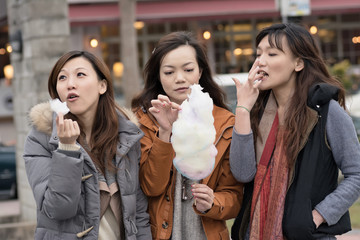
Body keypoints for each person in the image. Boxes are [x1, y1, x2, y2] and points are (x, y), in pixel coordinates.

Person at [229, 23, 360, 240]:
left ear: (298, 63)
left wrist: (317, 216)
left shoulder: (325, 111)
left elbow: (356, 174)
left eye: (272, 54)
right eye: (259, 53)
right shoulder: (258, 111)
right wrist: (242, 110)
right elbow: (243, 174)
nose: (260, 61)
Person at [23, 50, 151, 240]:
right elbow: (58, 209)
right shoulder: (41, 139)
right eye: (62, 78)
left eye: (80, 74)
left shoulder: (126, 137)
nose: (70, 84)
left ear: (102, 86)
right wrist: (66, 149)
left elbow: (138, 214)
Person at [131, 31, 243, 240]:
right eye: (169, 72)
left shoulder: (225, 123)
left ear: (200, 71)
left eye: (188, 69)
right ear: (158, 76)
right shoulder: (143, 121)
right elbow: (150, 187)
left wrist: (213, 201)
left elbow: (234, 197)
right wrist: (164, 133)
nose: (180, 78)